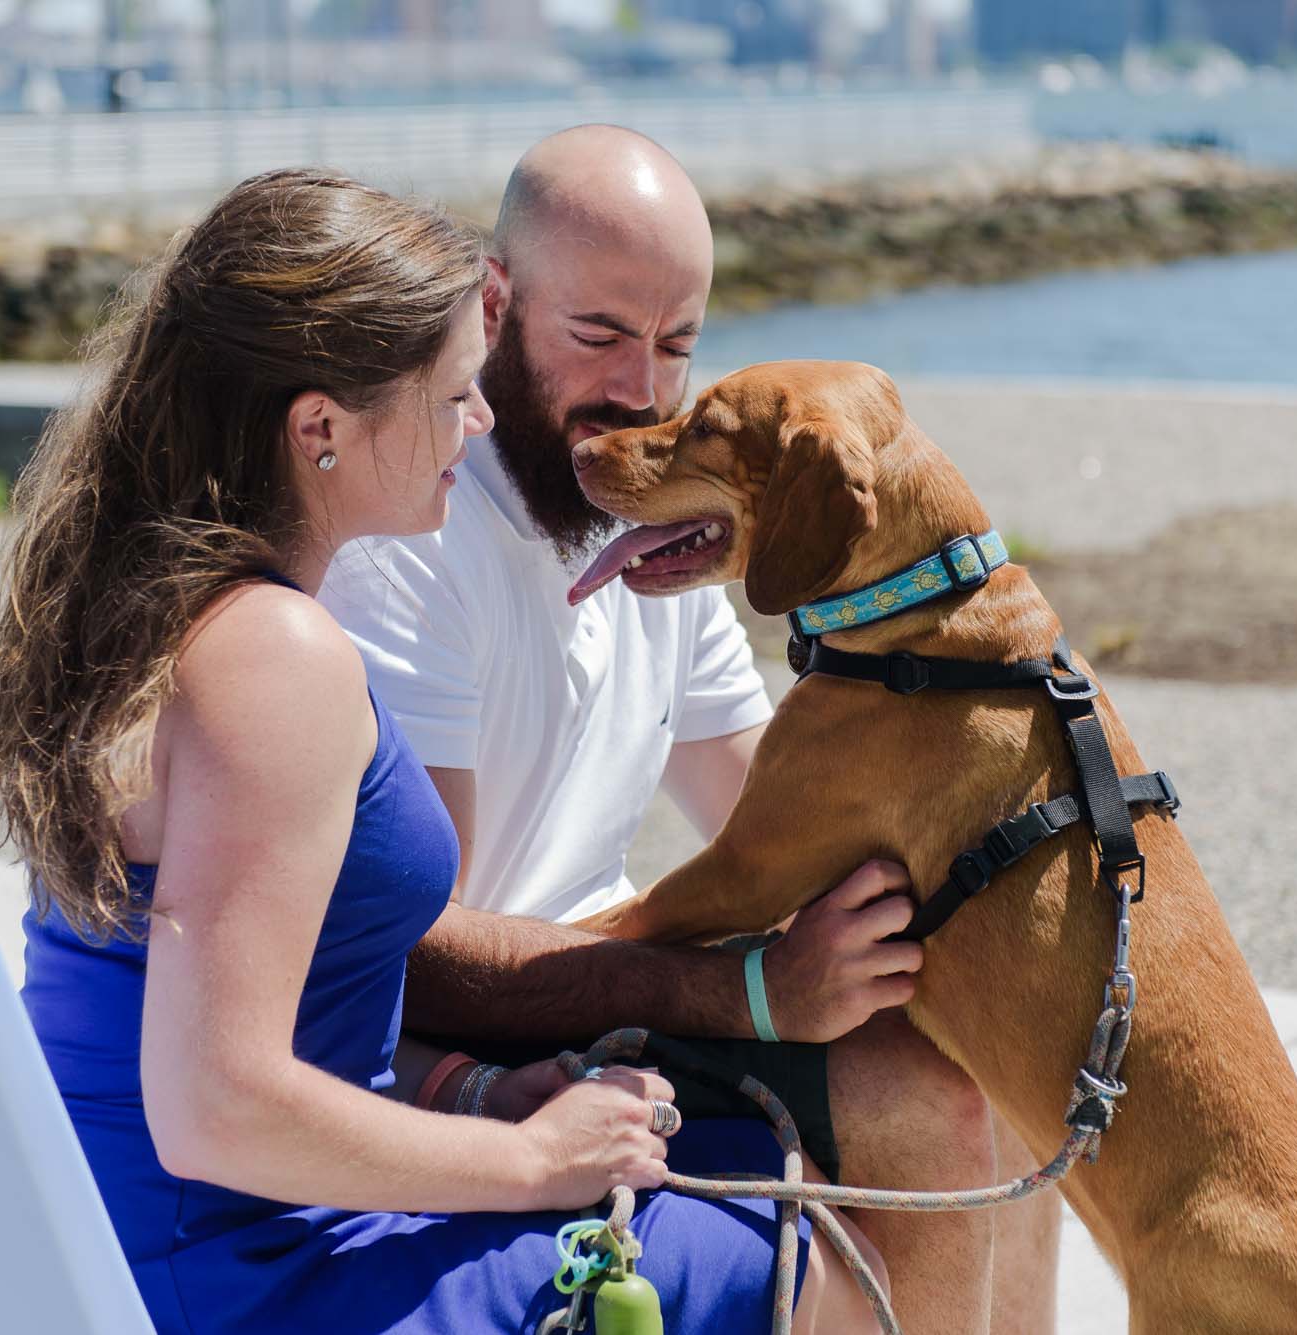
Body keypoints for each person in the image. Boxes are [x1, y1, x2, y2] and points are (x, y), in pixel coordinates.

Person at [0, 168, 886, 1334]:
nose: (483, 421)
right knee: (826, 1248)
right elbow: (211, 1105)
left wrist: (483, 1093)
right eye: (454, 393)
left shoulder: (172, 610)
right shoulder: (274, 658)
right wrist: (534, 1162)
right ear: (321, 429)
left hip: (171, 1230)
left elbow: (287, 1015)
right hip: (246, 1273)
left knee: (742, 1161)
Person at [320, 126, 1061, 1335]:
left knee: (1003, 1065)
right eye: (599, 336)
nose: (640, 392)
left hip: (615, 980)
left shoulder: (647, 537)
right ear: (493, 307)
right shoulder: (417, 538)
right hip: (481, 1034)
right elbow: (416, 955)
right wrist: (754, 991)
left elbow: (781, 822)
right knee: (939, 1110)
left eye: (674, 346)